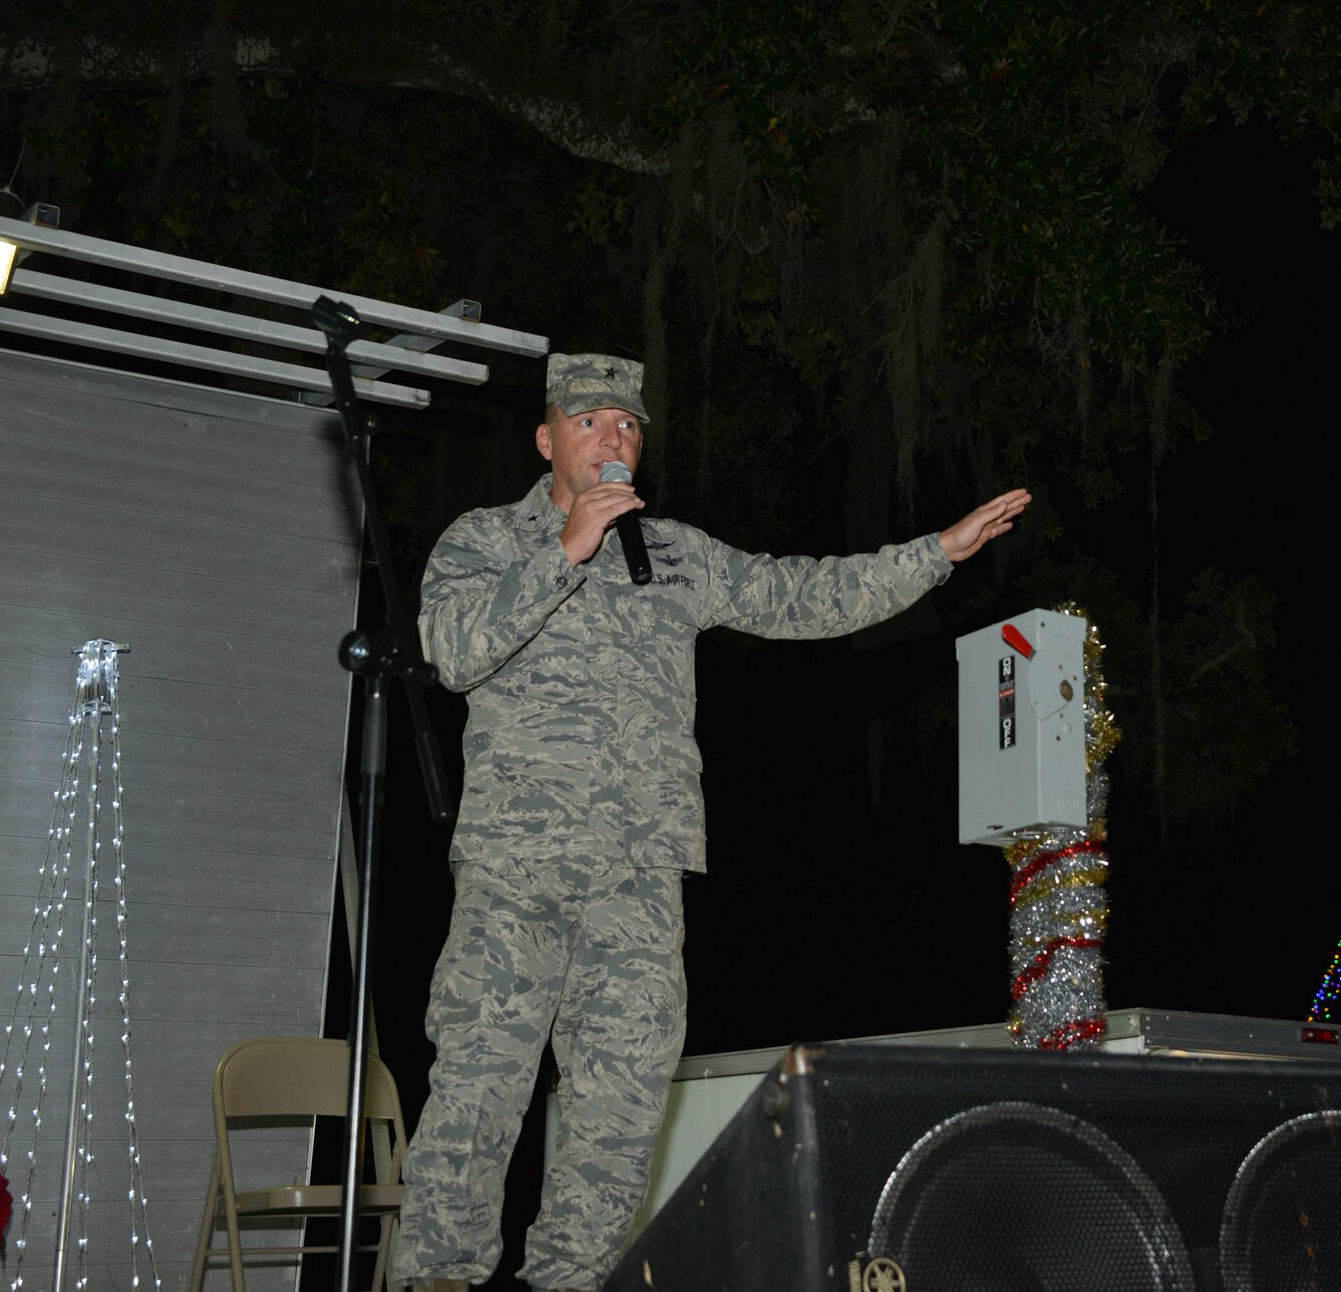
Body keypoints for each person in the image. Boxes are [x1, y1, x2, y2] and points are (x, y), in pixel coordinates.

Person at [391, 353, 1031, 1292]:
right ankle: (436, 1280)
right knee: (479, 1093)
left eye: (629, 425)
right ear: (546, 439)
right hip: (516, 871)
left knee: (618, 1111)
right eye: (592, 420)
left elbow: (803, 595)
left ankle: (569, 1281)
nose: (615, 436)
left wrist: (936, 551)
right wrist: (562, 549)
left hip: (640, 883)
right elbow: (451, 651)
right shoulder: (485, 539)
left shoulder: (676, 554)